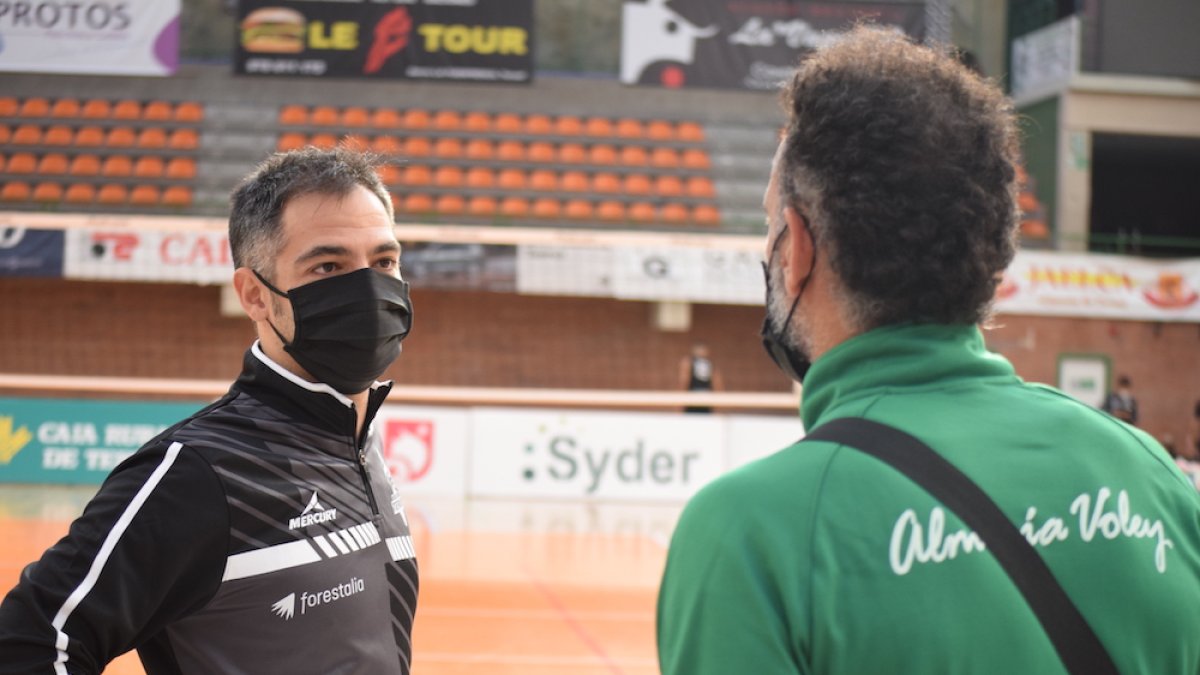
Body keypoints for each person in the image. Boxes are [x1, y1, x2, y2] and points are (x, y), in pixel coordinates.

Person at [657, 26, 1200, 675]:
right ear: (989, 251)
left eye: (771, 223)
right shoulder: (1149, 473)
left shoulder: (749, 538)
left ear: (798, 247)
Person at [0, 148, 420, 673]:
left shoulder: (358, 444)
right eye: (328, 266)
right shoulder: (199, 473)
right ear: (255, 295)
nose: (367, 285)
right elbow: (32, 641)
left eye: (383, 261)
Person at [678, 342, 722, 413]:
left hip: (693, 397)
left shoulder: (688, 362)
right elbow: (718, 385)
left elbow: (684, 381)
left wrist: (680, 399)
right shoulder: (710, 364)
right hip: (706, 397)